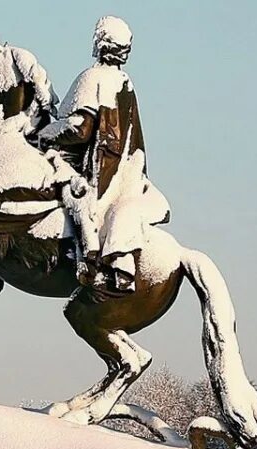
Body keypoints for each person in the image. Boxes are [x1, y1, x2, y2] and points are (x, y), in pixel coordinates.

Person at [39, 16, 169, 289]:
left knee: (54, 189)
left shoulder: (93, 78)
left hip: (95, 168)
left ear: (99, 44)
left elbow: (80, 130)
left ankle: (86, 256)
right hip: (125, 170)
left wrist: (46, 133)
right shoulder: (125, 82)